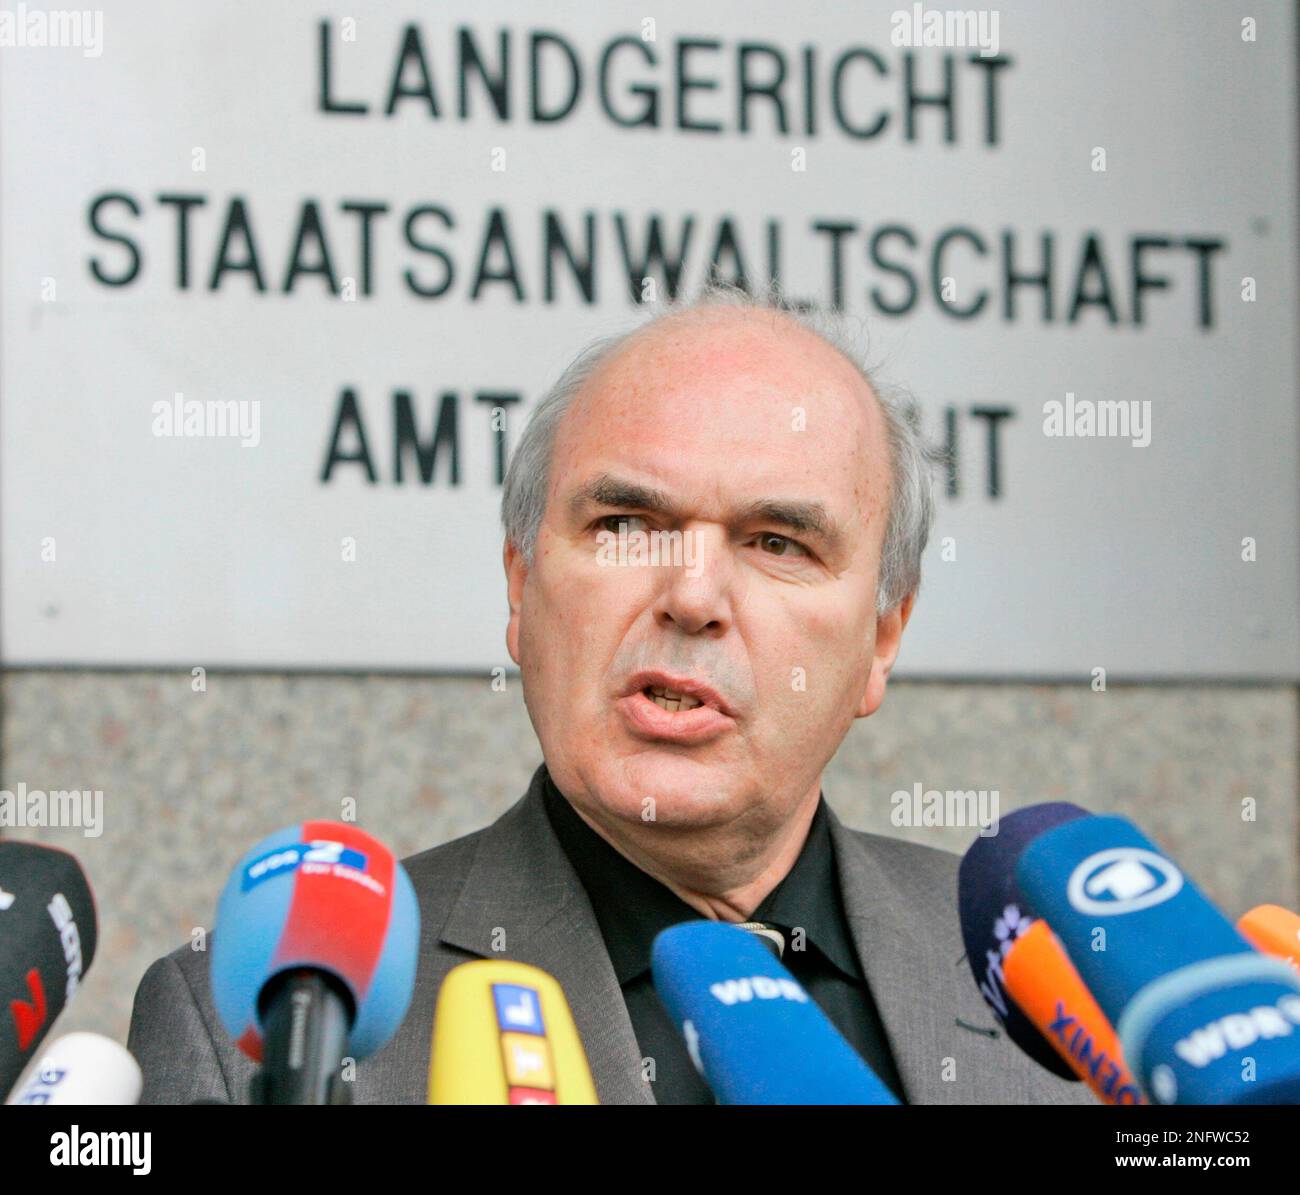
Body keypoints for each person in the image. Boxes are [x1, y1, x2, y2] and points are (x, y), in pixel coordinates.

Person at [128, 283, 1087, 1104]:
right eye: (627, 523)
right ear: (521, 586)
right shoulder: (272, 1023)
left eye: (777, 543)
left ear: (883, 637)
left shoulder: (1066, 985)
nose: (693, 596)